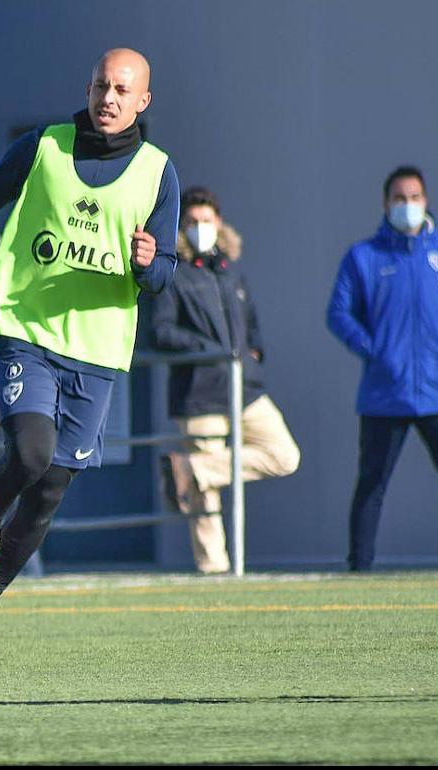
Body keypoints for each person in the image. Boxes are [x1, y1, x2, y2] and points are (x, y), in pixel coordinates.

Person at [0, 48, 178, 654]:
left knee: (50, 489)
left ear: (142, 101)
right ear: (89, 85)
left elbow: (163, 272)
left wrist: (151, 264)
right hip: (28, 329)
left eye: (124, 90)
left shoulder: (158, 172)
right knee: (30, 453)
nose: (110, 98)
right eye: (103, 85)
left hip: (96, 350)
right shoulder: (42, 145)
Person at [327, 166, 438, 571]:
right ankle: (359, 567)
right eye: (399, 198)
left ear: (426, 201)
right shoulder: (364, 256)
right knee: (371, 484)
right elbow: (339, 312)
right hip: (385, 391)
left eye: (414, 197)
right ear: (385, 204)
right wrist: (370, 347)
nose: (407, 205)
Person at [150, 186, 300, 574]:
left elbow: (251, 324)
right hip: (199, 393)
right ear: (183, 227)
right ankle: (214, 571)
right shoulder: (174, 274)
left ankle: (191, 469)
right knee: (206, 500)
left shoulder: (231, 270)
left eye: (206, 221)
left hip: (244, 389)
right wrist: (207, 349)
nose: (201, 228)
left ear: (219, 224)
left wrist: (256, 352)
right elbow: (160, 331)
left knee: (285, 455)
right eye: (193, 222)